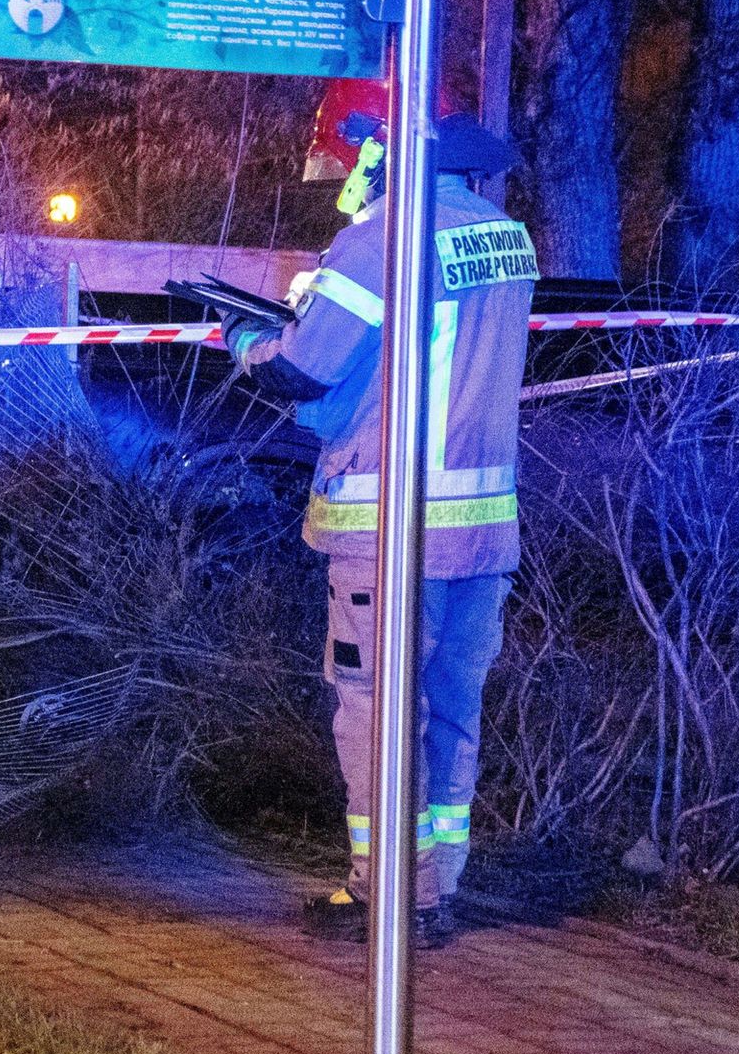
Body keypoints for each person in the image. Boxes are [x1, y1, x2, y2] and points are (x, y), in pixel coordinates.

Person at [221, 85, 540, 948]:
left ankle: (387, 893)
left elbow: (307, 371)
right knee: (450, 708)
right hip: (484, 531)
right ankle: (439, 886)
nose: (341, 181)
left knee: (373, 712)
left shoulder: (377, 243)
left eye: (345, 158)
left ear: (380, 148)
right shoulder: (504, 237)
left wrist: (243, 343)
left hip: (390, 532)